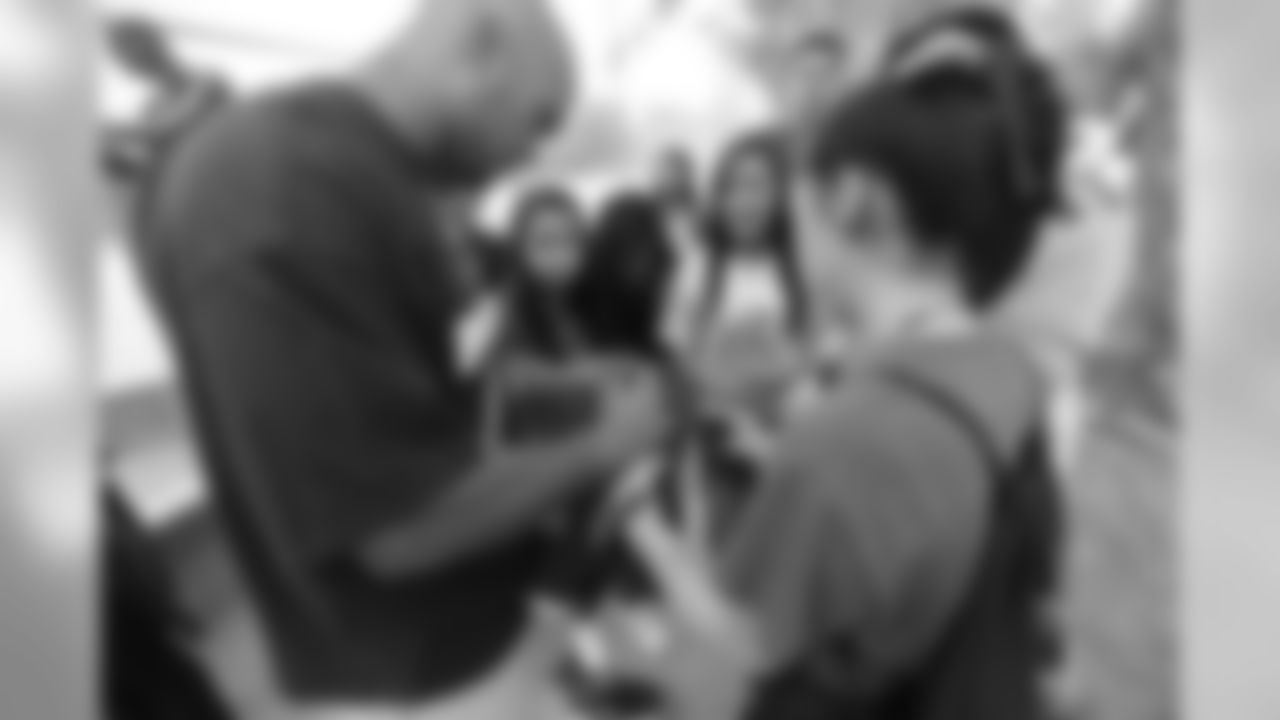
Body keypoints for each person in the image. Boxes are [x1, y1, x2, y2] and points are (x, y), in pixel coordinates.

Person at [140, 0, 670, 708]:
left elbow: (430, 372)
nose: (536, 153)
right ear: (479, 47)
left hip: (466, 631)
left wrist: (552, 380)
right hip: (416, 678)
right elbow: (400, 528)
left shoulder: (370, 174)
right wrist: (604, 444)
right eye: (540, 120)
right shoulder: (290, 190)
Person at [593, 33, 1072, 720]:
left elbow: (748, 643)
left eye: (800, 197)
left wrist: (634, 514)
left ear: (853, 200)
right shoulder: (1011, 371)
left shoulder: (844, 447)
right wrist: (780, 446)